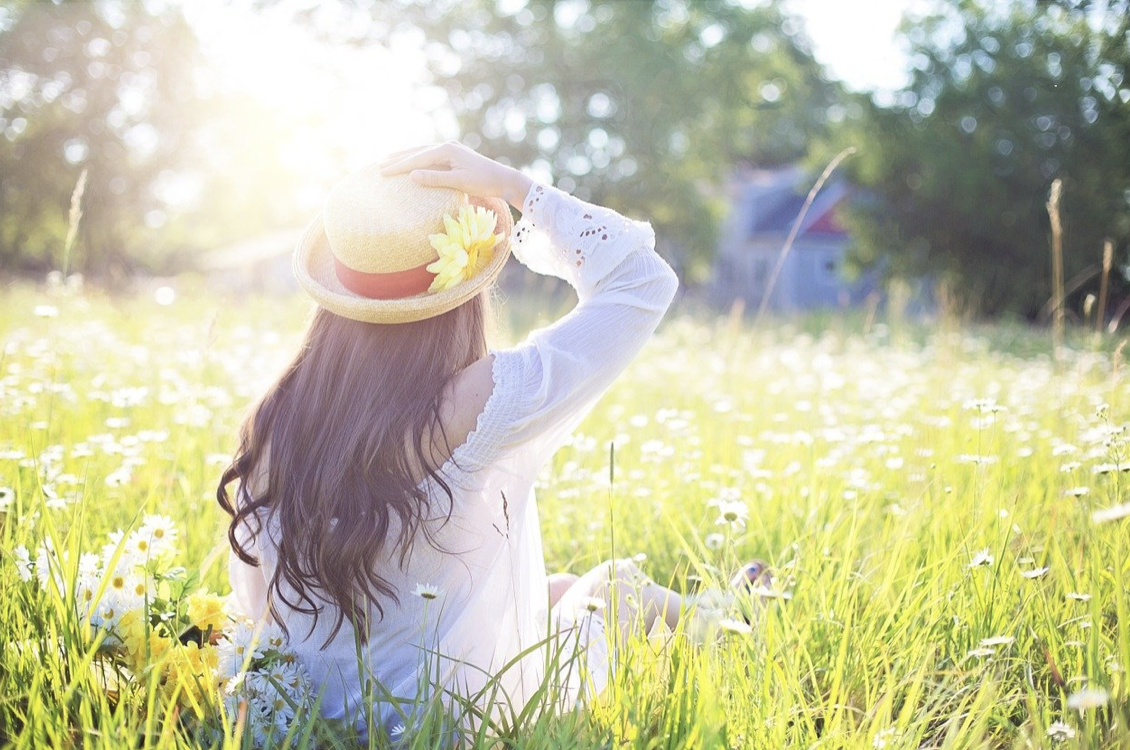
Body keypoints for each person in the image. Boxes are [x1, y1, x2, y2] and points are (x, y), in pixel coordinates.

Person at [216, 142, 765, 740]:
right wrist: (516, 187)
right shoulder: (477, 400)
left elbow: (258, 600)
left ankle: (722, 609)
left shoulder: (275, 414)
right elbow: (642, 281)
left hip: (313, 711)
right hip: (451, 724)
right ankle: (731, 619)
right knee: (615, 585)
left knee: (553, 590)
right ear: (460, 291)